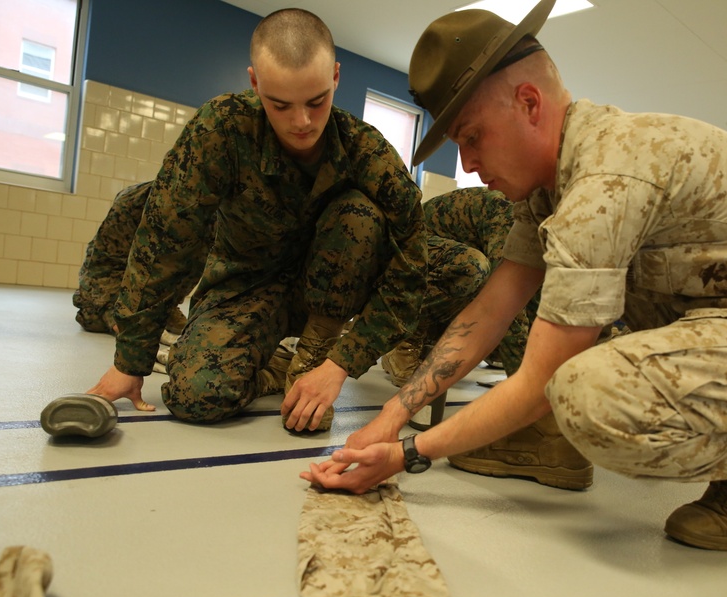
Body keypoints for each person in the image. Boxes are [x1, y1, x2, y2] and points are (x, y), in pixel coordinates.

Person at [301, 0, 727, 552]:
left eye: (472, 137)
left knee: (589, 399)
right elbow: (491, 309)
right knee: (572, 378)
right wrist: (392, 415)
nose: (469, 165)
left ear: (529, 102)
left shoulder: (606, 183)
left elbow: (538, 381)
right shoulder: (552, 184)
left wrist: (405, 455)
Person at [66, 8, 431, 434]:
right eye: (280, 105)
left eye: (317, 102)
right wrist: (131, 360)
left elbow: (411, 267)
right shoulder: (222, 129)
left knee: (359, 214)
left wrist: (338, 364)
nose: (302, 122)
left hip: (331, 302)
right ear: (255, 82)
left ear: (335, 76)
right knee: (197, 399)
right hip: (245, 286)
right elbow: (166, 240)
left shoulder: (368, 153)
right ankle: (273, 367)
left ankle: (308, 358)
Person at [381, 186, 535, 386]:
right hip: (402, 260)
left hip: (437, 266)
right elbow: (507, 299)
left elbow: (535, 301)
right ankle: (403, 341)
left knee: (504, 311)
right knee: (472, 268)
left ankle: (430, 340)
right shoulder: (513, 217)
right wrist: (524, 385)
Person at [72, 181, 198, 339]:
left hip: (153, 278)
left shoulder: (206, 208)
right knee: (93, 317)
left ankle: (164, 309)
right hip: (115, 277)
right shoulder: (131, 203)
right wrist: (113, 311)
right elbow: (103, 266)